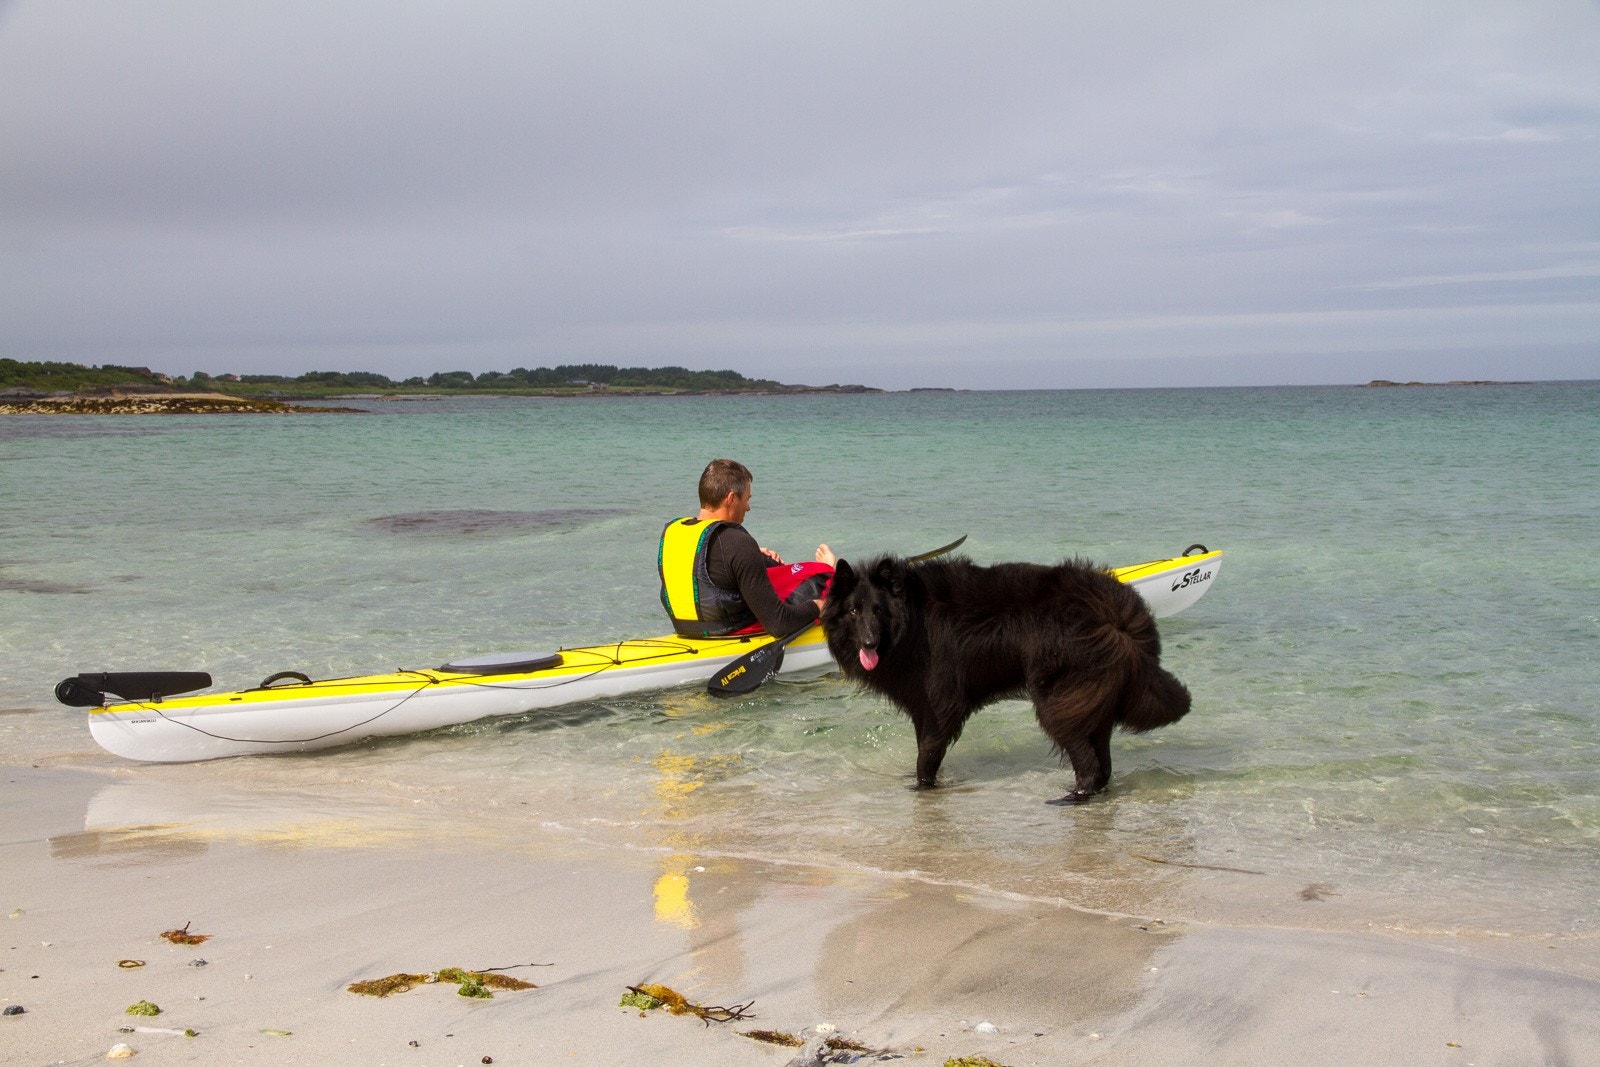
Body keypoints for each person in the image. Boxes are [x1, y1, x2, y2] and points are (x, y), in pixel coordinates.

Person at [659, 459, 836, 637]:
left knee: (771, 565)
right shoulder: (738, 543)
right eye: (746, 499)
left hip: (686, 630)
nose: (748, 507)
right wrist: (818, 606)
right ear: (731, 499)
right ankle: (828, 569)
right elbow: (779, 625)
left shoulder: (672, 533)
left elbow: (700, 564)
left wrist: (753, 554)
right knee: (818, 578)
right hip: (732, 631)